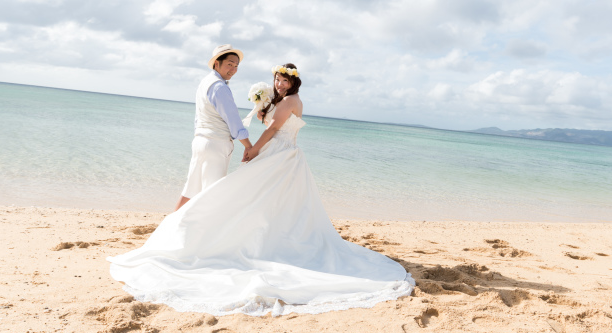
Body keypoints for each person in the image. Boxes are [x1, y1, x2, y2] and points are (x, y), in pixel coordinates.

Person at [108, 64, 414, 316]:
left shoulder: (292, 102)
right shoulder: (276, 100)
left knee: (267, 201)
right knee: (254, 201)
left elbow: (273, 129)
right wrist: (261, 109)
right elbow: (266, 119)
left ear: (294, 82)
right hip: (272, 155)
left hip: (281, 157)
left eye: (285, 80)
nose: (280, 84)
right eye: (278, 79)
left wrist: (253, 149)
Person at [174, 45, 252, 211]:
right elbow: (234, 121)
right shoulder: (219, 87)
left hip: (200, 141)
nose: (233, 69)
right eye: (230, 64)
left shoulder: (205, 83)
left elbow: (199, 116)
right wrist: (249, 146)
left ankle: (168, 228)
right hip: (215, 144)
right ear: (217, 63)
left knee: (190, 190)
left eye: (236, 66)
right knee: (212, 194)